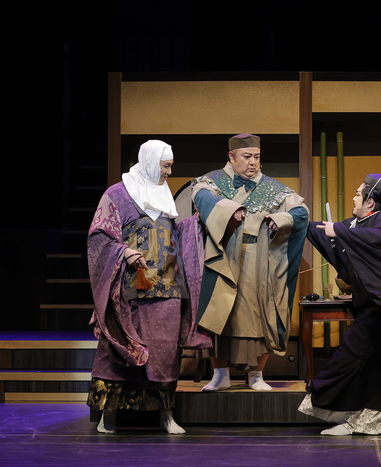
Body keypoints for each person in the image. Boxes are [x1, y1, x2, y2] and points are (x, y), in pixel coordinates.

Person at [299, 159, 381, 435]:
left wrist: (340, 231)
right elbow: (326, 230)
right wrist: (297, 222)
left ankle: (364, 420)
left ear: (370, 202)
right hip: (377, 308)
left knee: (354, 358)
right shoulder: (357, 223)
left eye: (358, 194)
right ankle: (363, 419)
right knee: (378, 365)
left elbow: (377, 237)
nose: (353, 198)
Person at [86, 140, 211, 434]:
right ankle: (108, 415)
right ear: (151, 162)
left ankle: (166, 415)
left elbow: (171, 235)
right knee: (120, 349)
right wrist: (124, 252)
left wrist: (194, 225)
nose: (169, 172)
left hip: (168, 287)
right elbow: (99, 237)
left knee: (165, 353)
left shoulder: (163, 194)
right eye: (166, 165)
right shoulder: (117, 195)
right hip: (130, 287)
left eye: (170, 166)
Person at [191, 134, 308, 392]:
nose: (253, 162)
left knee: (259, 315)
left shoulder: (274, 188)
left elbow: (301, 211)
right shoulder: (211, 182)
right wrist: (228, 210)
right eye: (246, 157)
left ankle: (256, 375)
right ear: (231, 157)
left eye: (256, 157)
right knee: (220, 312)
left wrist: (281, 219)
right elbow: (202, 197)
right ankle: (220, 374)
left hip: (259, 260)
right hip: (222, 258)